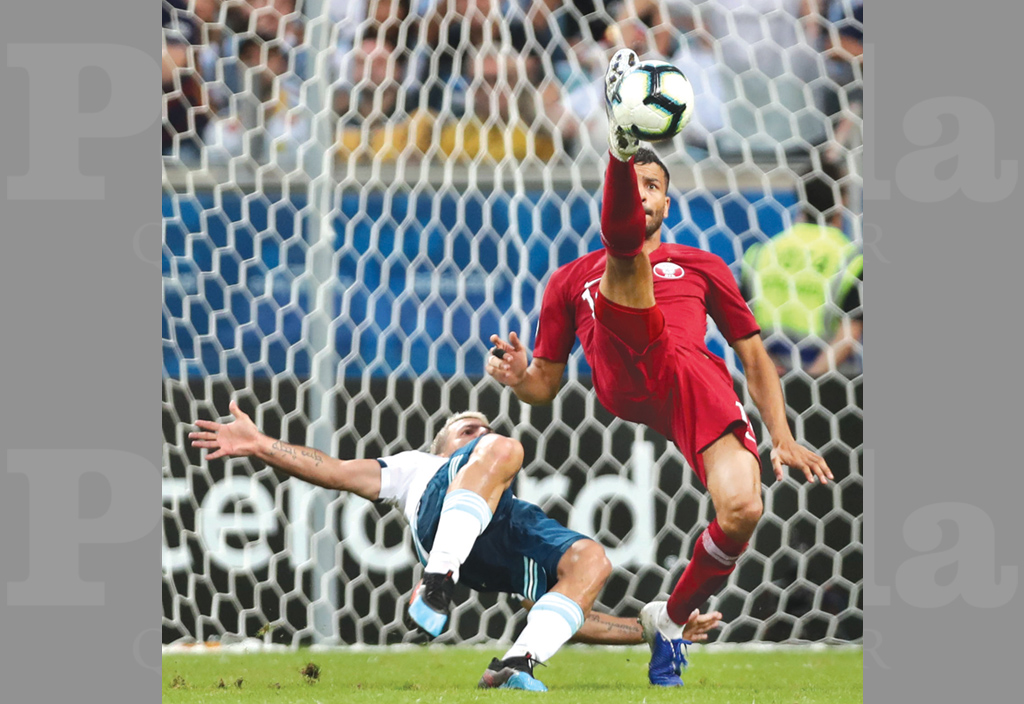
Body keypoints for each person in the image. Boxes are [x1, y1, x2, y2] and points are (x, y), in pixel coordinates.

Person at [486, 49, 832, 650]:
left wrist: (781, 434)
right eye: (636, 184)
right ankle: (620, 140)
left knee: (742, 509)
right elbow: (545, 385)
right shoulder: (572, 279)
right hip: (626, 370)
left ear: (668, 203)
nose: (645, 195)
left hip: (693, 385)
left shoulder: (702, 265)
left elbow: (753, 357)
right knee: (627, 267)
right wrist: (519, 376)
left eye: (654, 186)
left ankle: (669, 621)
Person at [190, 402, 722, 690]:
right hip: (438, 523)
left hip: (497, 540)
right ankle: (437, 580)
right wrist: (261, 445)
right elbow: (329, 471)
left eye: (480, 429)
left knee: (592, 561)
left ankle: (515, 664)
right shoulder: (413, 468)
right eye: (464, 430)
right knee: (506, 447)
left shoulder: (513, 507)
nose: (477, 432)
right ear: (441, 446)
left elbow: (573, 616)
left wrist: (653, 627)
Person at [740, 164, 862, 376]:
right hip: (832, 382)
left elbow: (741, 322)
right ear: (842, 201)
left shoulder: (762, 253)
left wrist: (769, 368)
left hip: (770, 375)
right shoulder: (850, 259)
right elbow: (849, 334)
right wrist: (811, 380)